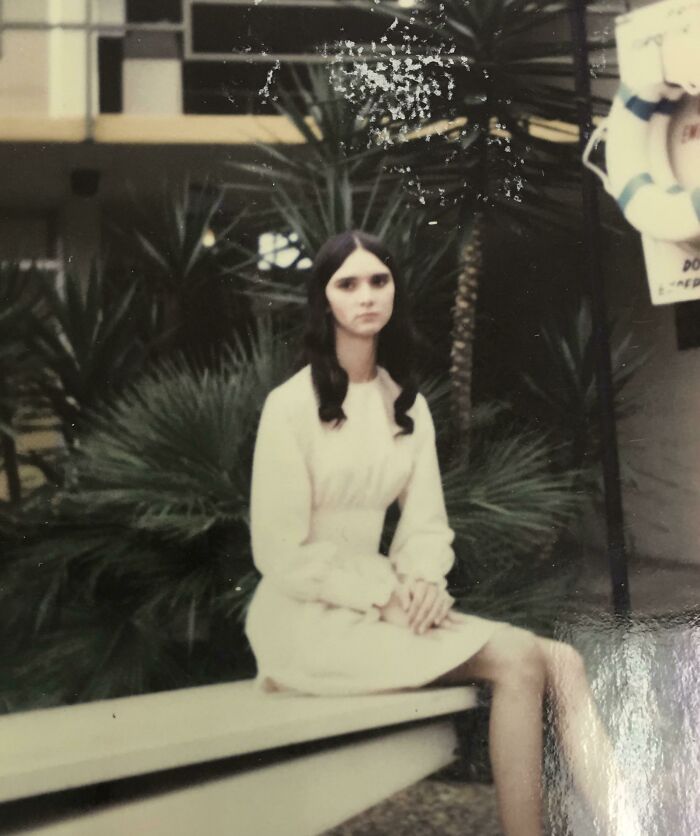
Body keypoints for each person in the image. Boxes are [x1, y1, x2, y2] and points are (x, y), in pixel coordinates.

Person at [244, 230, 641, 836]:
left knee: (561, 660)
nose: (366, 296)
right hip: (306, 618)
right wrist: (383, 594)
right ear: (324, 301)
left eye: (379, 280)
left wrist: (424, 582)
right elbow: (277, 549)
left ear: (394, 291)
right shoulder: (291, 406)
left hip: (385, 606)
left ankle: (632, 827)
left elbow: (425, 525)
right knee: (516, 659)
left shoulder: (405, 405)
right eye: (347, 284)